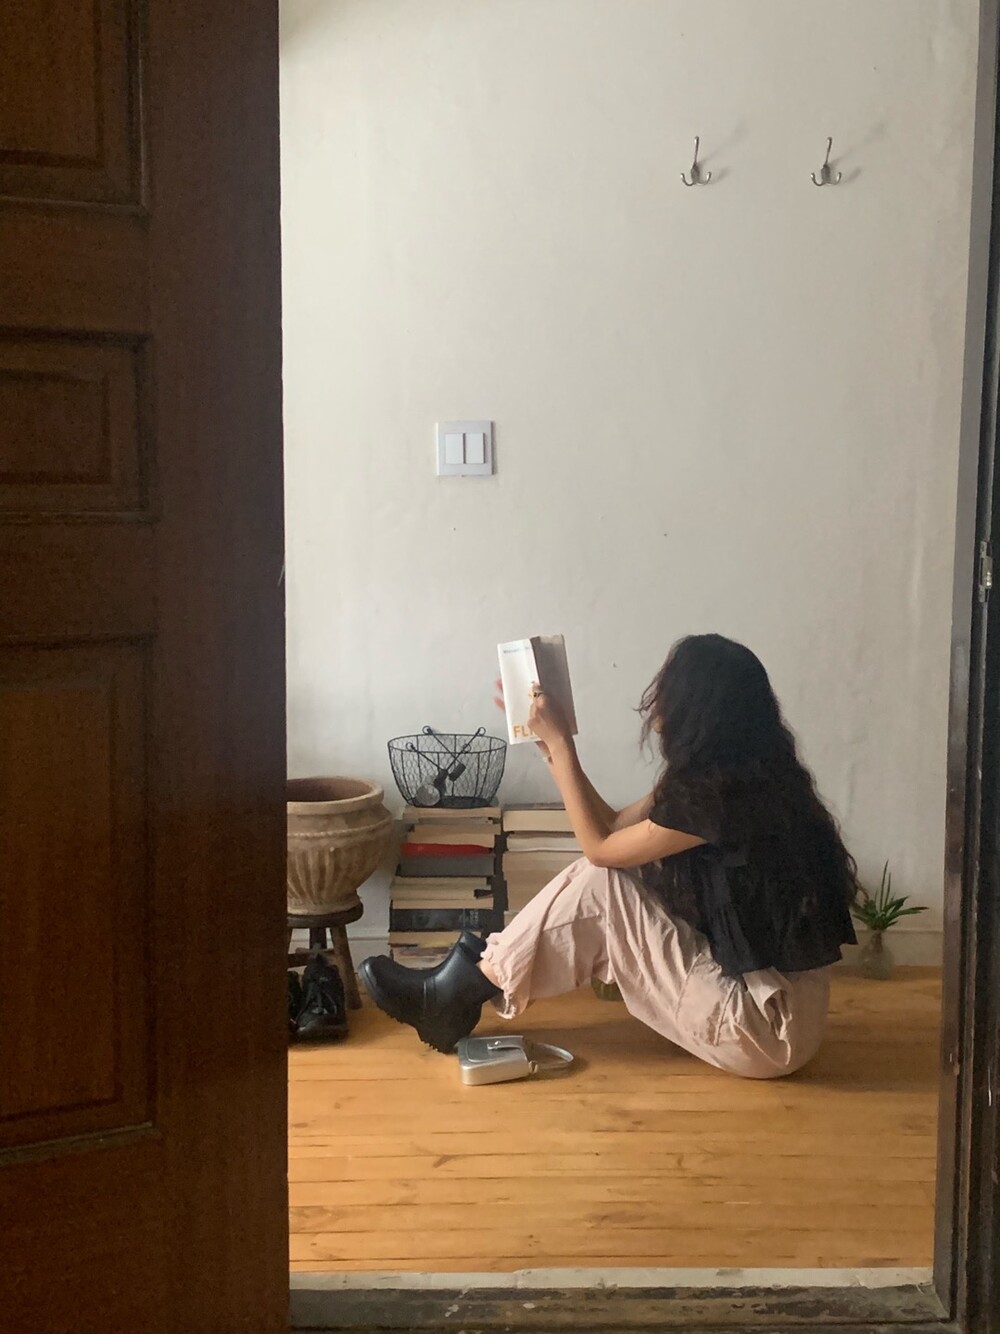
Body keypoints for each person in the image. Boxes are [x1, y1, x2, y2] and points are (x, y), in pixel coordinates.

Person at [360, 634, 857, 1078]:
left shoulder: (714, 800)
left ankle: (452, 996)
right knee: (612, 878)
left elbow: (599, 852)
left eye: (666, 688)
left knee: (603, 884)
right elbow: (616, 827)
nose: (656, 700)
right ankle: (461, 989)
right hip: (786, 1017)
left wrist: (562, 745)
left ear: (694, 709)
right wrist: (555, 747)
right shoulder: (743, 780)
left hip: (763, 1029)